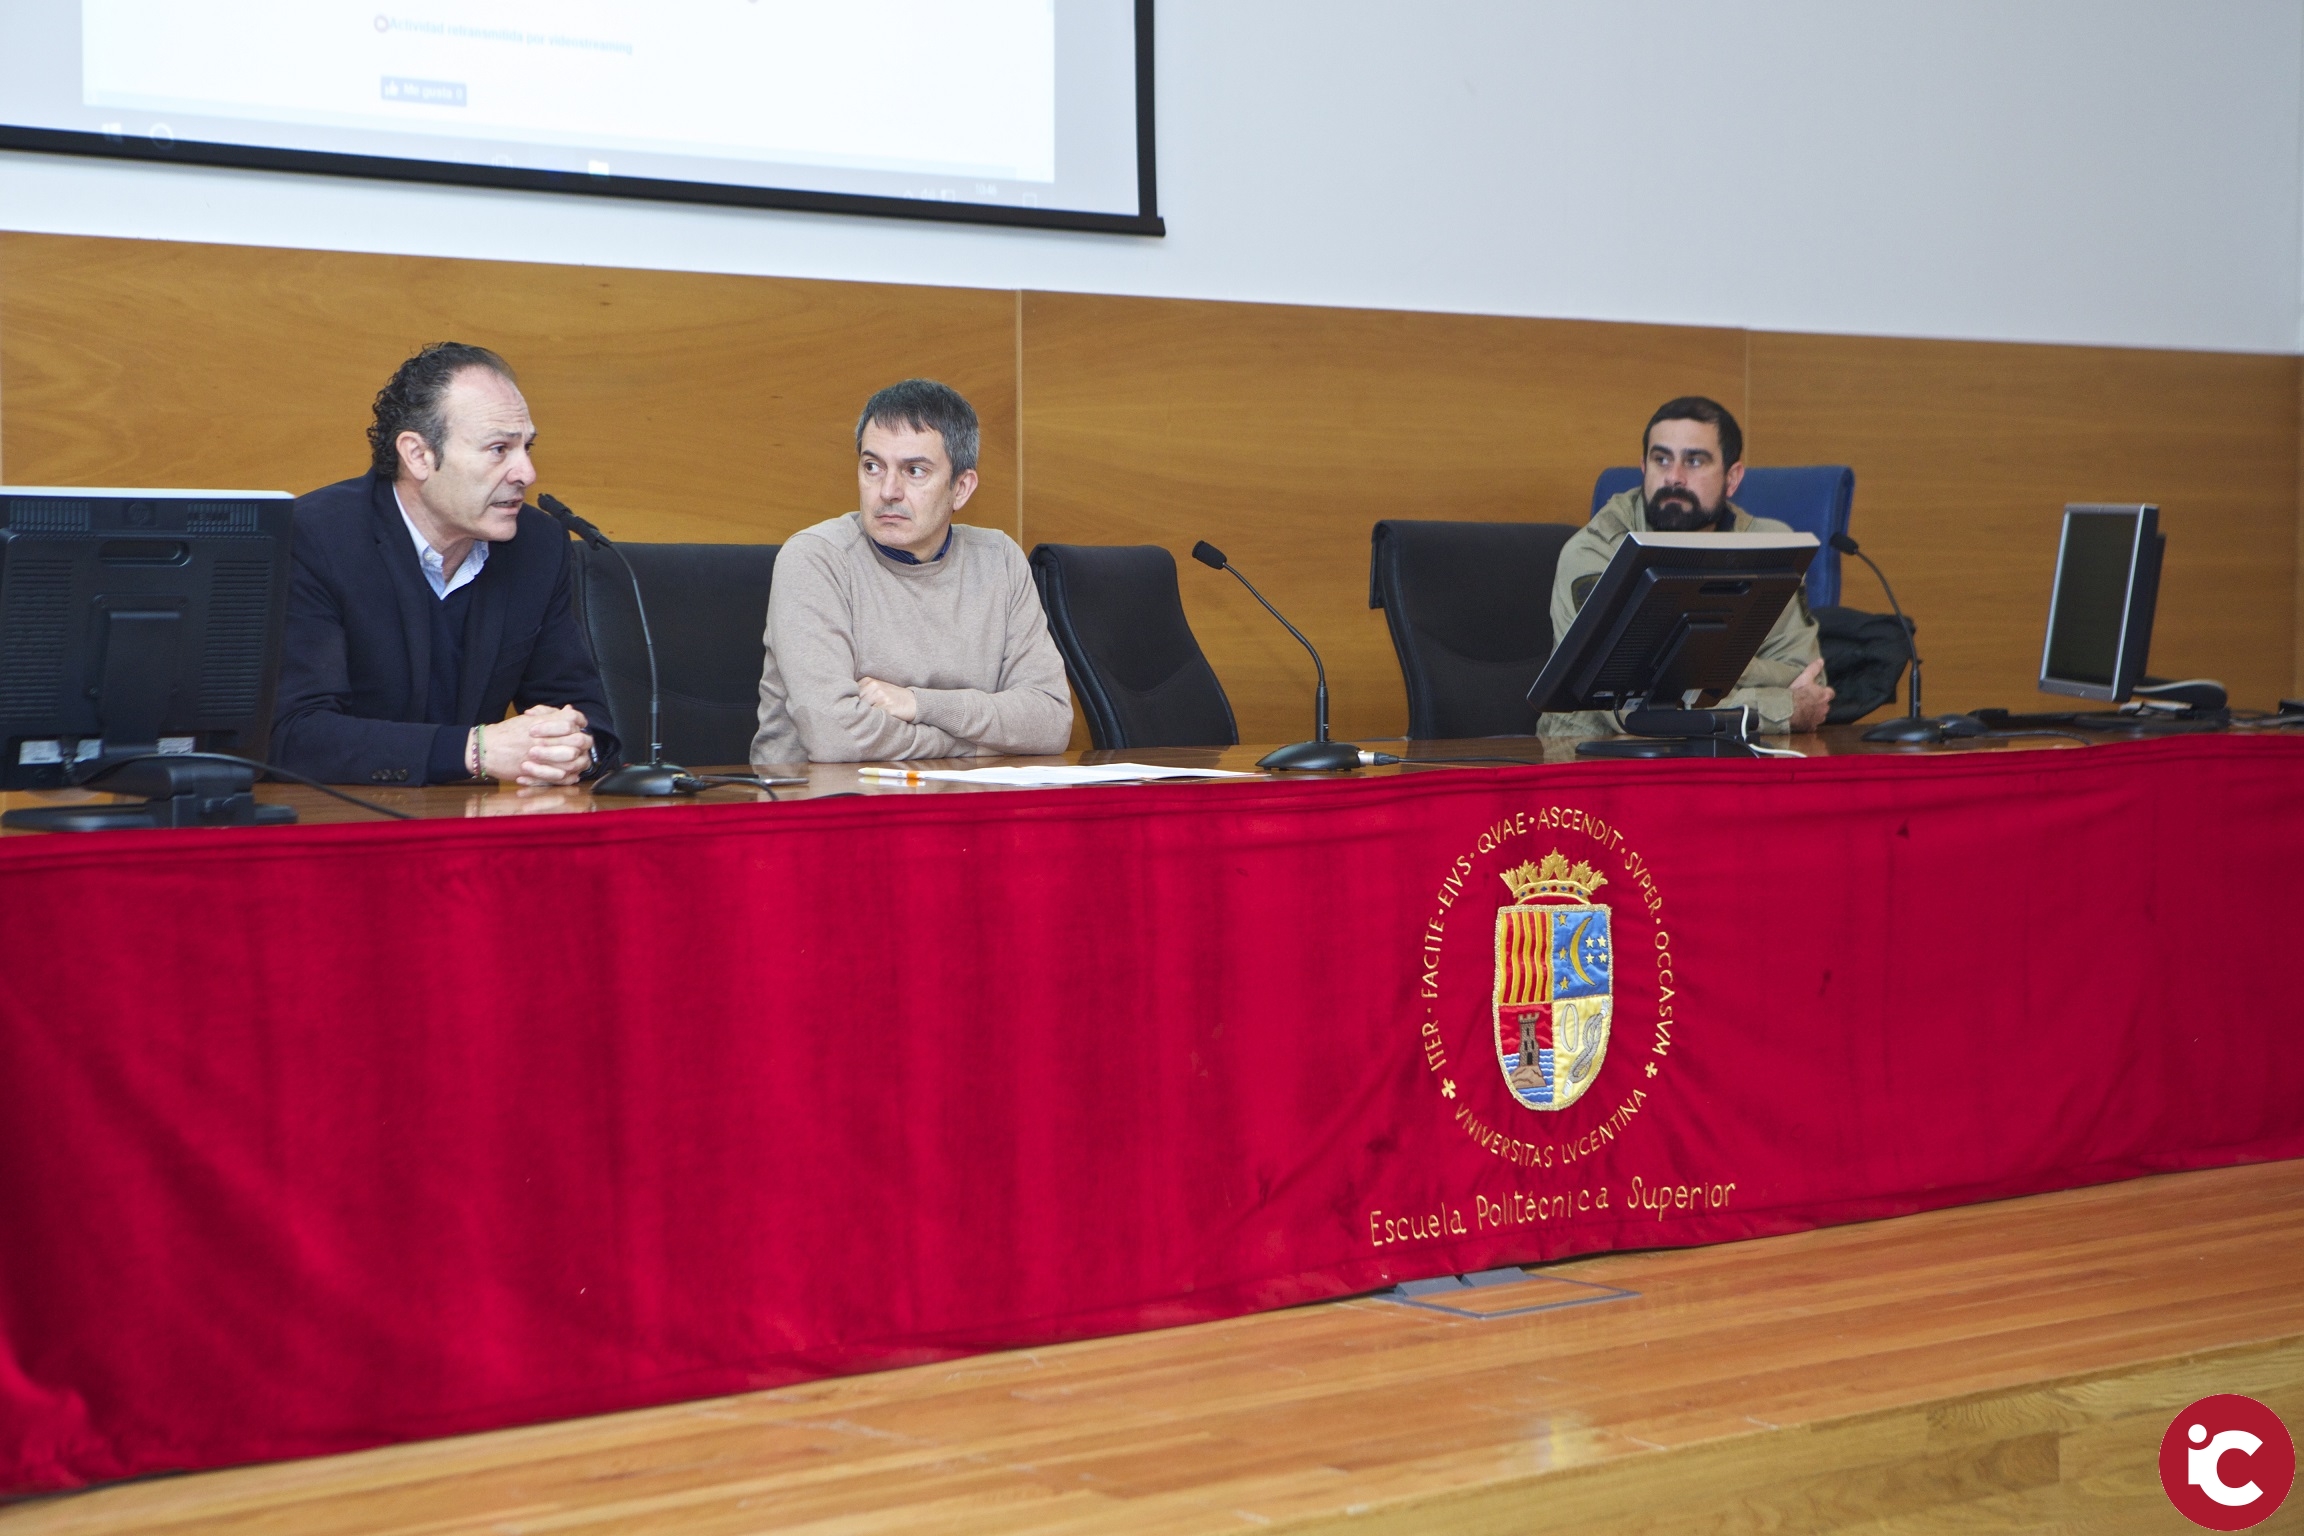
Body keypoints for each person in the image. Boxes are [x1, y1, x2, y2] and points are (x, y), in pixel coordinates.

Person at [272, 343, 618, 786]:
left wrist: (576, 750)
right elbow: (292, 734)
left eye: (526, 447)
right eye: (499, 449)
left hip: (470, 814)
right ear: (418, 455)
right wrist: (474, 751)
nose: (526, 473)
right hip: (338, 816)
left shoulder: (537, 545)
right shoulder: (313, 538)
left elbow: (582, 711)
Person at [750, 379, 1072, 765]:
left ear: (961, 488)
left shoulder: (998, 560)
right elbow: (834, 737)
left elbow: (1051, 720)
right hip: (825, 797)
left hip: (964, 797)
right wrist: (970, 745)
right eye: (872, 467)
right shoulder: (816, 559)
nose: (888, 490)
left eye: (914, 471)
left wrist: (919, 704)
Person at [1546, 396, 1834, 734]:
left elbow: (1809, 678)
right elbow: (1630, 708)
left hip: (1731, 751)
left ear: (1732, 478)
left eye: (1694, 461)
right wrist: (1781, 705)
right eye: (1661, 460)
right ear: (1644, 468)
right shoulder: (1597, 552)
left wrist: (1687, 673)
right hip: (1592, 754)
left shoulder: (1769, 546)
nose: (1674, 477)